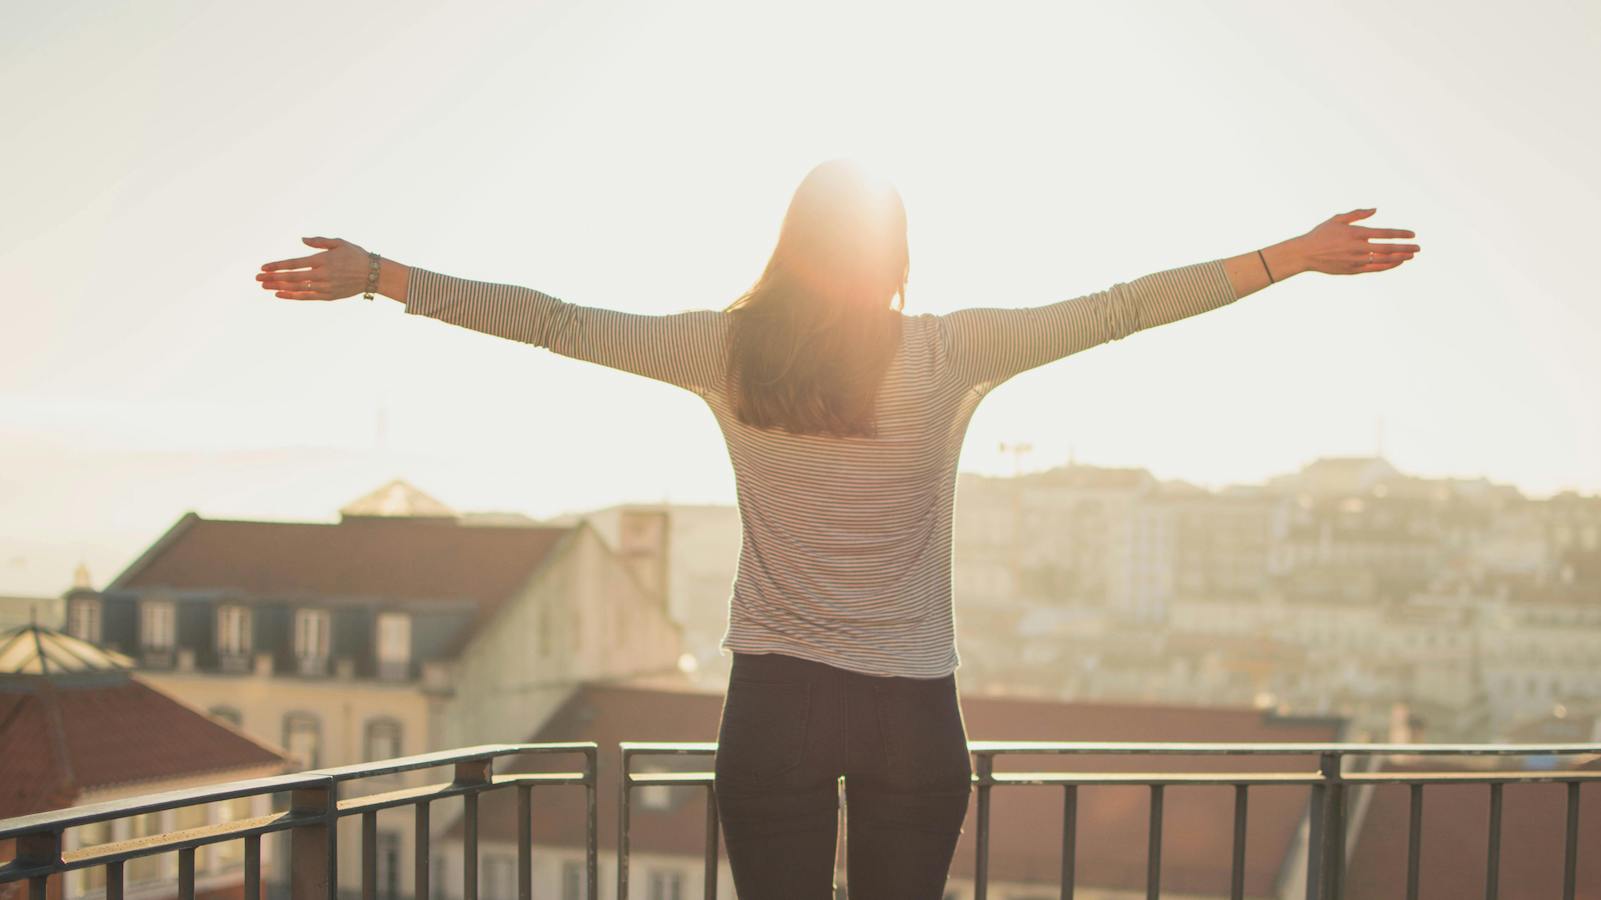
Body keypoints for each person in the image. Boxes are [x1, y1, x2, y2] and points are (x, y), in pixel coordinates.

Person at [256, 159, 1418, 898]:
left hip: (774, 705)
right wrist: (1286, 260)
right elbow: (1116, 311)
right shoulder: (947, 350)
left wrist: (383, 277)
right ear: (896, 256)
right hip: (913, 709)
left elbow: (557, 323)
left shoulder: (721, 349)